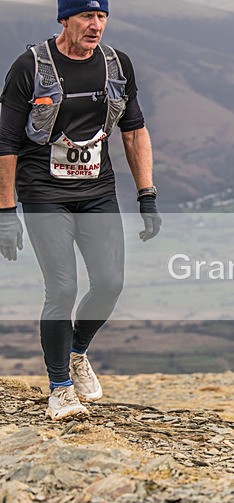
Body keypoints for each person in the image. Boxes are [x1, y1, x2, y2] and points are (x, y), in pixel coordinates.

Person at [0, 0, 161, 420]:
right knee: (63, 288)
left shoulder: (116, 65)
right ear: (64, 19)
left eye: (102, 17)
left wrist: (147, 194)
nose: (95, 26)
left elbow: (134, 129)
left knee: (109, 283)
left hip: (97, 190)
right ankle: (59, 389)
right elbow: (5, 144)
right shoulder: (30, 66)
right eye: (86, 17)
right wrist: (5, 212)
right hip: (43, 190)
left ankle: (76, 352)